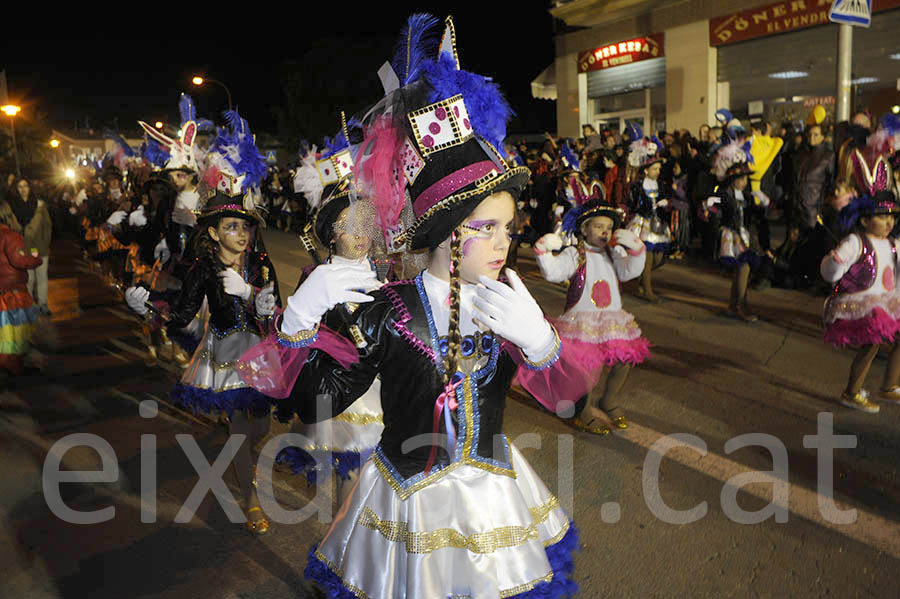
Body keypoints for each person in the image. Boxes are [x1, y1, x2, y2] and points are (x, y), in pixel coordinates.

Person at [264, 15, 582, 598]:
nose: (503, 242)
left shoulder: (505, 304)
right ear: (444, 232)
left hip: (494, 503)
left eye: (508, 228)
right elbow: (316, 401)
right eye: (486, 227)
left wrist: (541, 344)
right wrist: (295, 324)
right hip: (407, 505)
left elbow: (571, 400)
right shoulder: (389, 308)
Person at [127, 110, 281, 535]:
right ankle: (249, 496)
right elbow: (180, 315)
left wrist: (258, 299)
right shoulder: (204, 269)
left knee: (261, 428)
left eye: (245, 227)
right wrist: (149, 307)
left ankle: (242, 462)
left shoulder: (262, 264)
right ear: (213, 232)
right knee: (240, 432)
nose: (242, 234)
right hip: (226, 356)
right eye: (232, 227)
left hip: (261, 355)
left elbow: (280, 314)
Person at [534, 198, 649, 434]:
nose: (605, 232)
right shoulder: (576, 255)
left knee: (624, 360)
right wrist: (543, 252)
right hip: (582, 322)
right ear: (584, 229)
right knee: (586, 370)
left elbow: (629, 272)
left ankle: (609, 400)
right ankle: (582, 412)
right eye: (598, 226)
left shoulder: (613, 253)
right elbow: (554, 273)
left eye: (608, 228)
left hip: (611, 319)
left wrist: (637, 251)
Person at [820, 191, 900, 412]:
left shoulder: (893, 244)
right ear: (865, 220)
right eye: (883, 216)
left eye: (892, 216)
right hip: (860, 302)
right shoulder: (856, 242)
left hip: (887, 301)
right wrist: (836, 262)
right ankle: (852, 392)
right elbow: (830, 272)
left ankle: (889, 385)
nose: (889, 222)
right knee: (872, 343)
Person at [710, 140, 762, 322]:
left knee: (743, 270)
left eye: (746, 178)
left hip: (742, 235)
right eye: (741, 179)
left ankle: (735, 305)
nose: (744, 181)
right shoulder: (725, 194)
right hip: (732, 236)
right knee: (743, 269)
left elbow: (749, 217)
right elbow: (716, 209)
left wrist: (760, 204)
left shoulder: (744, 195)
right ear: (732, 180)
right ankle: (741, 306)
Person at [626, 131, 671, 302]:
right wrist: (644, 205)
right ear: (646, 171)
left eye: (659, 169)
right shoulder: (638, 185)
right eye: (654, 169)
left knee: (658, 258)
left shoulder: (660, 184)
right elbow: (633, 204)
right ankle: (648, 290)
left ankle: (640, 280)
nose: (658, 172)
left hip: (657, 223)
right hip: (643, 223)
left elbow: (668, 197)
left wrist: (665, 202)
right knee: (648, 255)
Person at [0, 200, 43, 376]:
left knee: (4, 331)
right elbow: (18, 260)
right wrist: (35, 258)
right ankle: (13, 366)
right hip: (12, 290)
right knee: (15, 331)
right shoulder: (10, 235)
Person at [6, 178, 52, 316]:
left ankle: (43, 304)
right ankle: (29, 304)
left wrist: (44, 244)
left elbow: (47, 226)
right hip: (23, 248)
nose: (23, 189)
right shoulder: (13, 206)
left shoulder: (39, 205)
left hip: (39, 247)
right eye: (19, 186)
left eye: (25, 186)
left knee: (42, 277)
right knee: (28, 279)